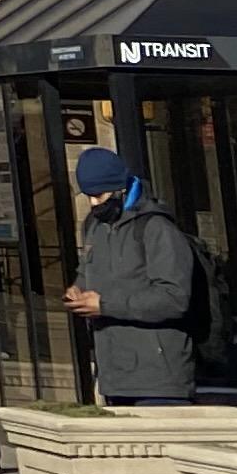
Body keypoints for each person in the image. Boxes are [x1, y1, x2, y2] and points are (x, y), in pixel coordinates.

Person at [60, 148, 205, 403]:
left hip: (159, 381)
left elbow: (174, 298)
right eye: (89, 196)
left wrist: (104, 305)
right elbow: (87, 270)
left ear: (120, 189)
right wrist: (77, 290)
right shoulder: (95, 227)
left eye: (99, 195)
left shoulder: (157, 228)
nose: (94, 203)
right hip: (114, 376)